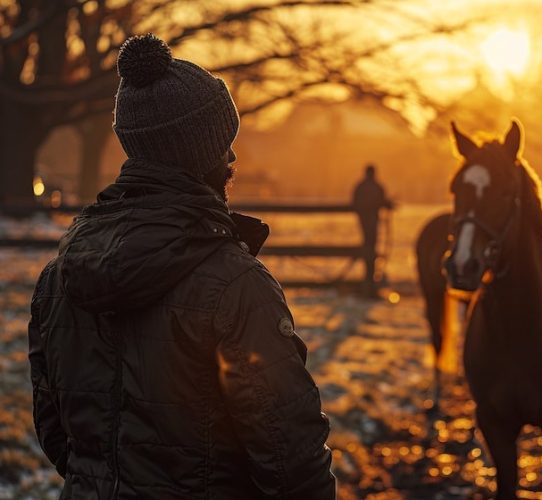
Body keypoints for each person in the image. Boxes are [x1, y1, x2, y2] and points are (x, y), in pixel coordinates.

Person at [28, 34, 335, 499]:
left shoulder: (58, 278)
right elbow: (290, 458)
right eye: (223, 144)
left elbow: (56, 434)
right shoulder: (235, 285)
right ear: (197, 153)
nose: (232, 157)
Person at [351, 164, 394, 296]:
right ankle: (370, 280)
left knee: (368, 248)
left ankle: (368, 279)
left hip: (365, 224)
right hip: (372, 224)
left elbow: (355, 202)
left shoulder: (360, 187)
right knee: (371, 249)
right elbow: (381, 201)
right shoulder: (376, 187)